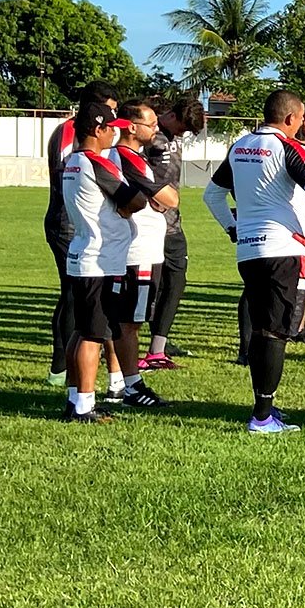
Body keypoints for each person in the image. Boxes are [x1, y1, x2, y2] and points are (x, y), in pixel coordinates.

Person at [203, 89, 305, 435]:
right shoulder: (288, 148)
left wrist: (234, 228)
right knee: (275, 333)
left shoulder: (240, 145)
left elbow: (212, 194)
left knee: (262, 330)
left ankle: (264, 407)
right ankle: (262, 417)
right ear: (290, 118)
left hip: (248, 250)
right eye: (301, 118)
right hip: (281, 248)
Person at [57, 102, 149, 422]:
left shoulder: (71, 161)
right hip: (101, 260)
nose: (116, 133)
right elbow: (135, 200)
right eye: (112, 128)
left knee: (82, 331)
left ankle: (74, 397)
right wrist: (127, 204)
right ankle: (84, 405)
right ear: (98, 130)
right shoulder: (98, 163)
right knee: (94, 335)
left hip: (82, 253)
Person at [107, 100, 179, 408]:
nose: (156, 129)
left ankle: (118, 383)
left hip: (139, 248)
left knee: (123, 320)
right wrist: (157, 199)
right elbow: (170, 198)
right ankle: (131, 386)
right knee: (129, 323)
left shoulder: (130, 156)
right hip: (139, 252)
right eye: (150, 124)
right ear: (132, 127)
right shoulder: (127, 157)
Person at [45, 81, 117, 385]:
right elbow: (67, 172)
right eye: (111, 110)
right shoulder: (69, 132)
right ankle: (61, 367)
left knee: (76, 296)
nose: (113, 119)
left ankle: (70, 366)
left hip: (78, 221)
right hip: (67, 221)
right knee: (74, 296)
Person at [138, 96, 205, 369]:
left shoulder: (166, 137)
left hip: (172, 223)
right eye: (184, 128)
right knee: (153, 286)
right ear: (173, 116)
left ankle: (158, 345)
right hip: (154, 224)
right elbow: (146, 179)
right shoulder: (154, 141)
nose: (184, 134)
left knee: (173, 282)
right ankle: (135, 347)